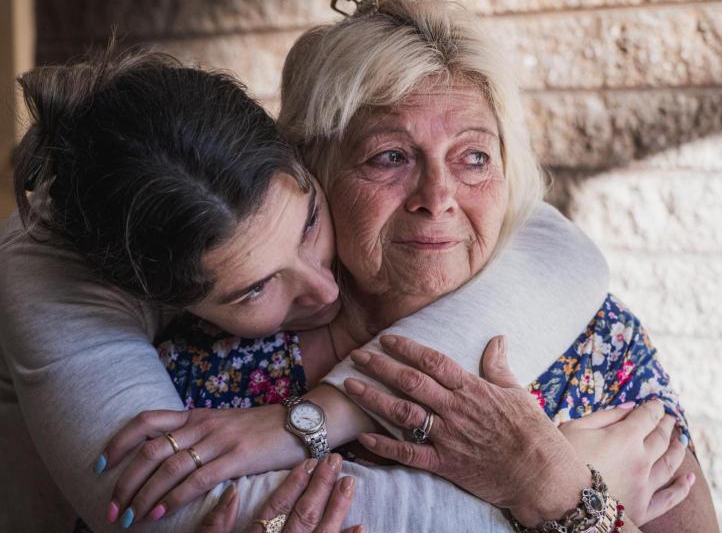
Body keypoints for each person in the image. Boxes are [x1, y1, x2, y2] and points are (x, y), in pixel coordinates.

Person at [104, 0, 717, 530]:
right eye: (389, 156)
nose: (438, 197)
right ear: (312, 170)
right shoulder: (207, 371)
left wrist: (562, 495)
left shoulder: (590, 340)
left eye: (474, 156)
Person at [0, 47, 661, 532]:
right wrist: (559, 495)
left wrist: (314, 418)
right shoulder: (184, 383)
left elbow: (559, 244)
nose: (321, 287)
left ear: (298, 157)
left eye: (309, 221)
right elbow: (177, 513)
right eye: (254, 289)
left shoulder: (595, 337)